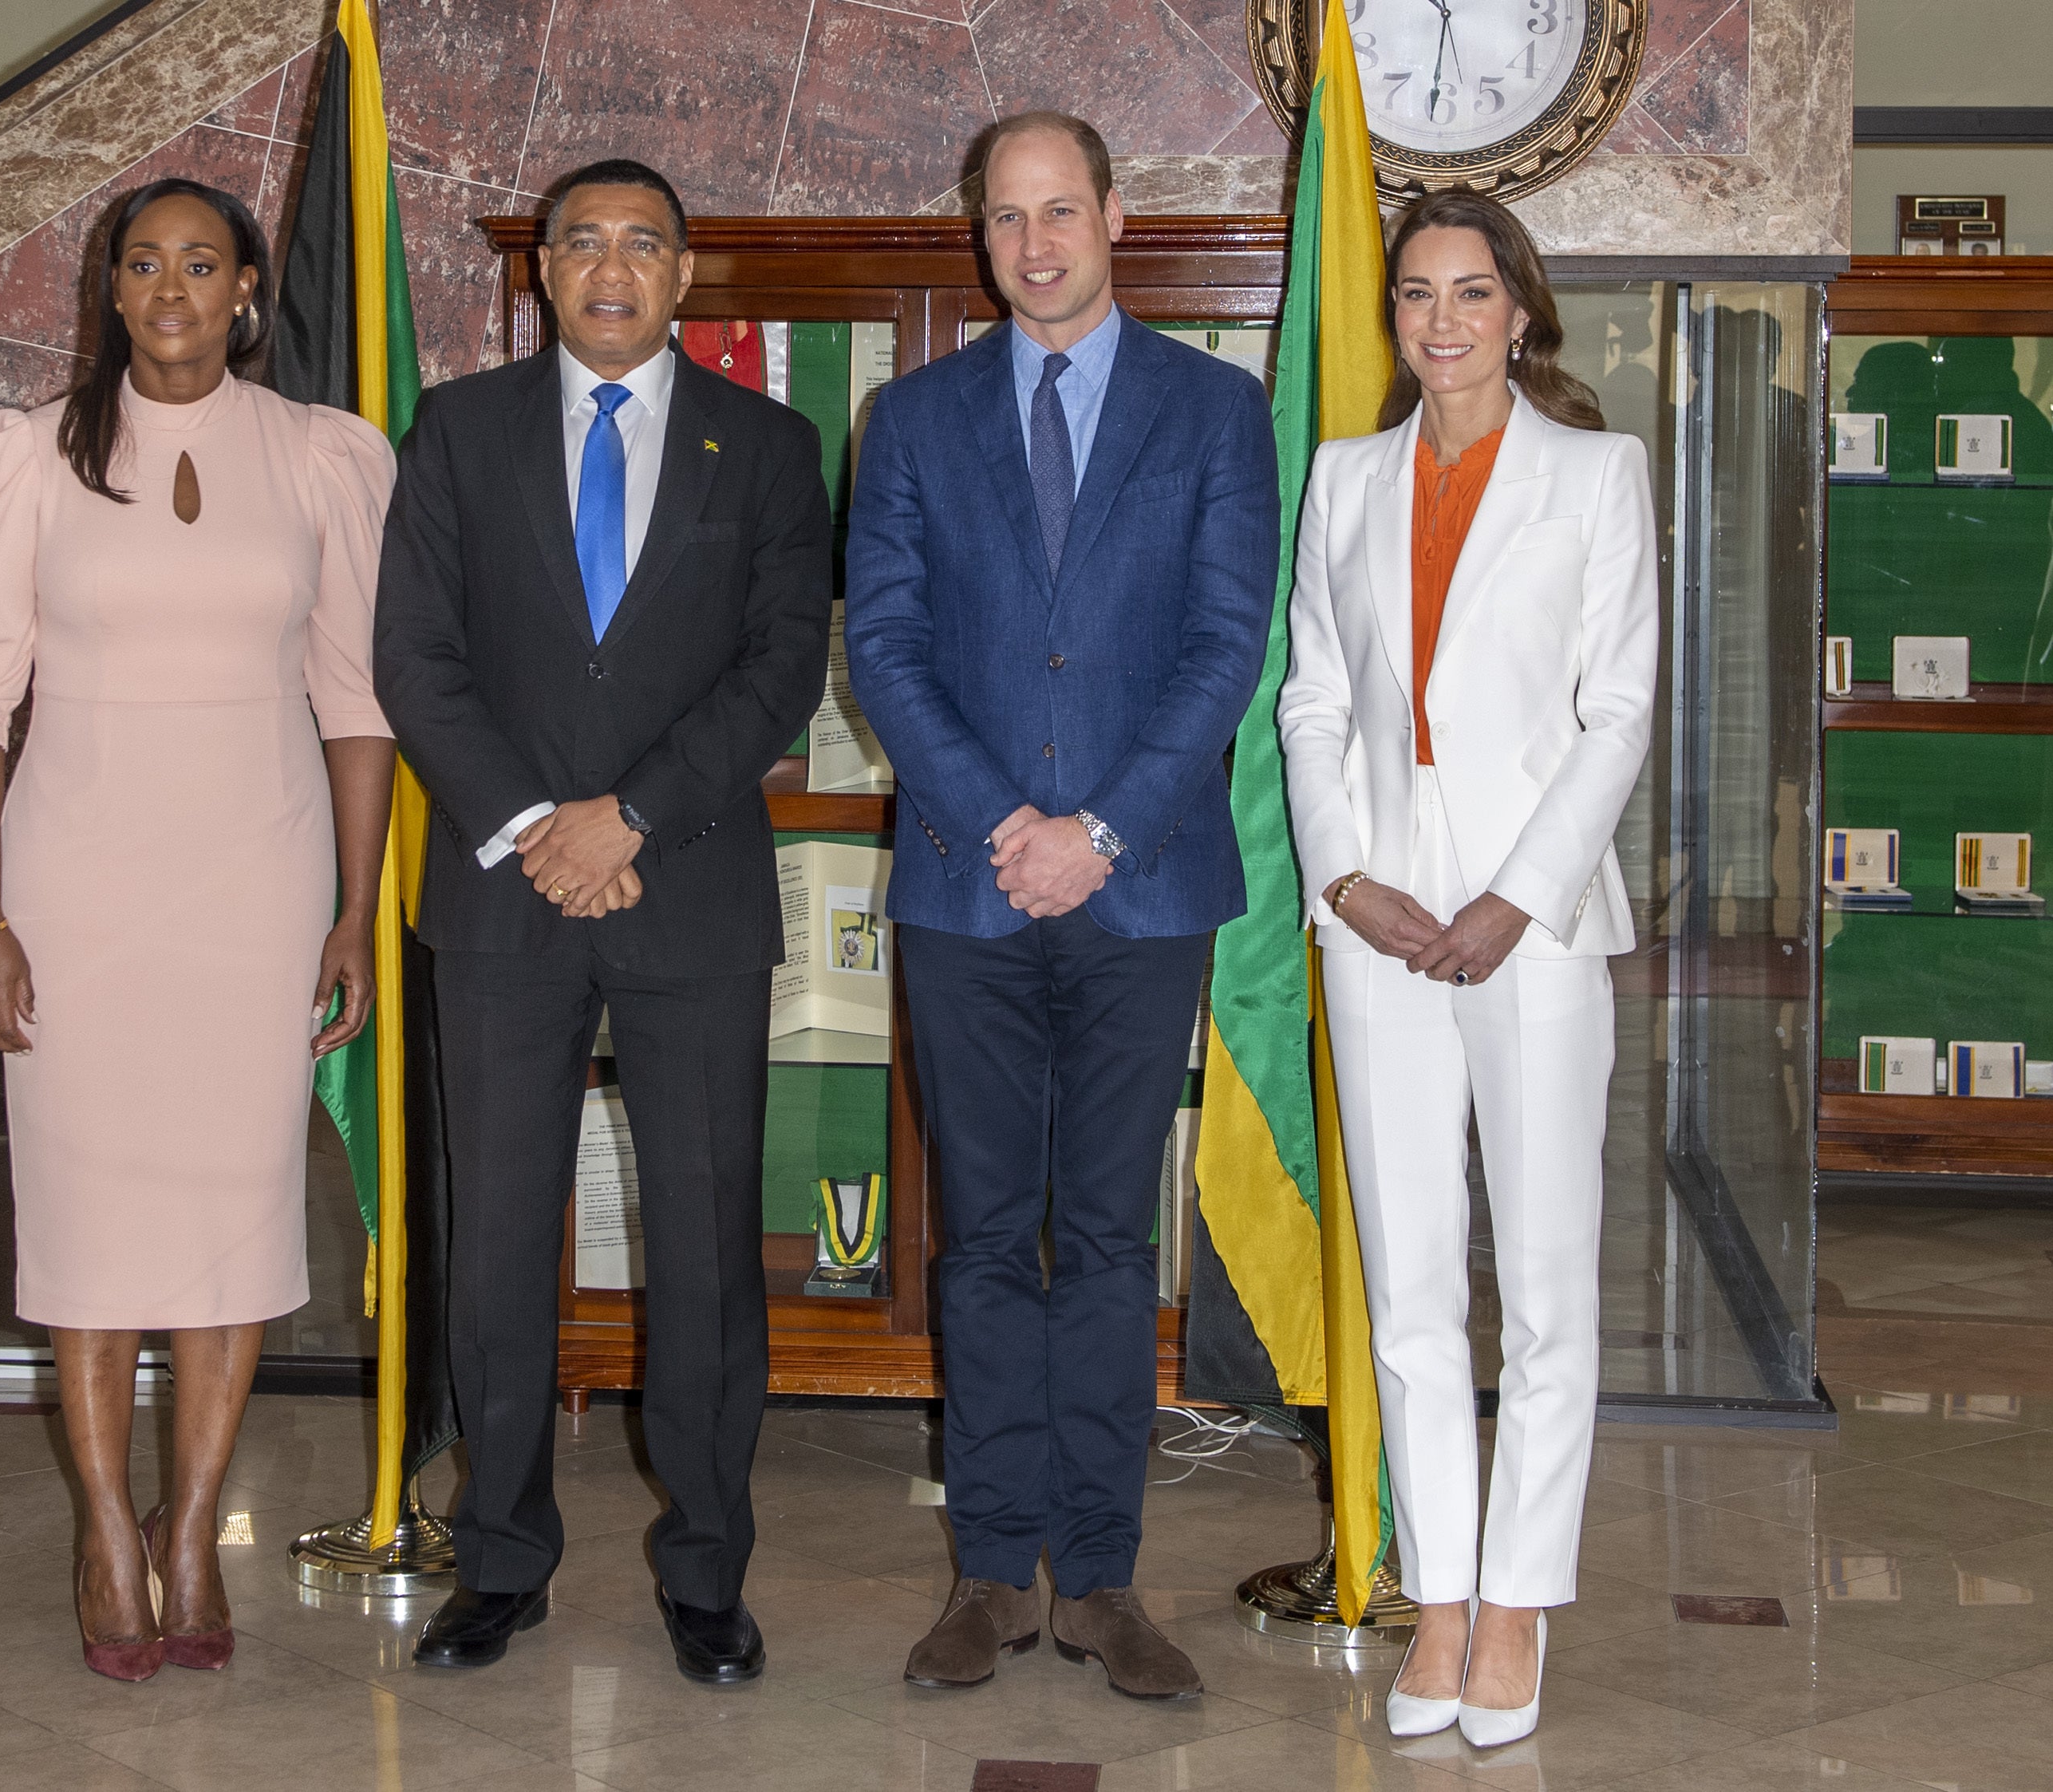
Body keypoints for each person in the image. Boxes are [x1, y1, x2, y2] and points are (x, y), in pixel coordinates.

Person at [0, 178, 397, 1682]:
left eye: (205, 262)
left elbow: (357, 703)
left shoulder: (326, 459)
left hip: (259, 888)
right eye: (145, 263)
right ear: (110, 290)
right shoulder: (18, 458)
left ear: (249, 288)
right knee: (93, 1223)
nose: (175, 287)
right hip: (74, 891)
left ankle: (193, 1523)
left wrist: (355, 914)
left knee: (230, 1215)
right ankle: (105, 1525)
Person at [373, 159, 831, 1683]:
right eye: (584, 243)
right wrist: (532, 826)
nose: (614, 268)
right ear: (543, 273)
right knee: (497, 1242)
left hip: (685, 888)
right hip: (503, 899)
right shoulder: (458, 430)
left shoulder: (766, 444)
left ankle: (708, 1569)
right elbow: (416, 658)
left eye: (645, 243)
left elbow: (777, 667)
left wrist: (628, 817)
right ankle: (499, 1559)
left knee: (705, 1249)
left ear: (686, 273)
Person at [845, 112, 1277, 1702]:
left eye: (1059, 211)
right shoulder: (907, 419)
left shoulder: (1212, 413)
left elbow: (1223, 647)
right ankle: (983, 1572)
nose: (1033, 244)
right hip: (966, 891)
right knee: (978, 1247)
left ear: (1112, 214)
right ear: (979, 233)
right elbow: (883, 647)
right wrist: (1007, 823)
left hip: (1141, 887)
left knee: (1100, 1241)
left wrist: (1093, 829)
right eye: (1005, 218)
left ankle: (1094, 1578)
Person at [1277, 188, 1658, 1747]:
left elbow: (1616, 708)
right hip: (1378, 930)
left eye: (1469, 292)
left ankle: (1517, 1609)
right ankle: (1436, 1596)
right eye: (1414, 294)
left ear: (1520, 312)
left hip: (1534, 931)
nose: (1439, 321)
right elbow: (1311, 702)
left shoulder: (1593, 474)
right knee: (1410, 1292)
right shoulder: (1343, 476)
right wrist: (1344, 878)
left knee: (1547, 1290)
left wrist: (1515, 894)